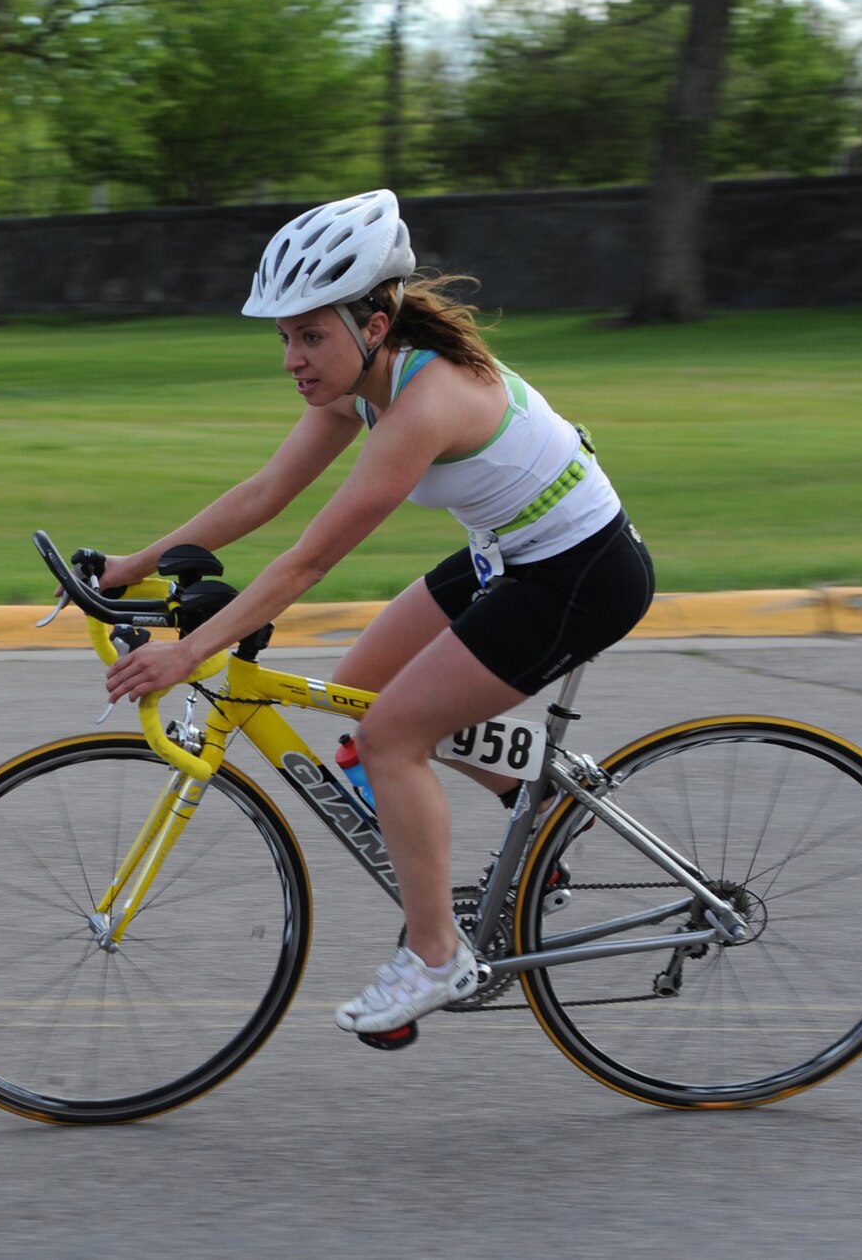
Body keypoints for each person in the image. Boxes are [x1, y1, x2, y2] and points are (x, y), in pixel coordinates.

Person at [99, 189, 655, 1035]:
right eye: (284, 336)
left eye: (310, 333)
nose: (292, 357)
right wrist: (131, 566)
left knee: (391, 737)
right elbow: (264, 494)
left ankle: (438, 958)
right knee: (356, 698)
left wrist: (187, 654)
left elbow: (311, 561)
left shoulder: (426, 403)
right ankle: (532, 802)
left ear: (377, 317)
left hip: (580, 571)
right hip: (506, 554)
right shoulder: (363, 380)